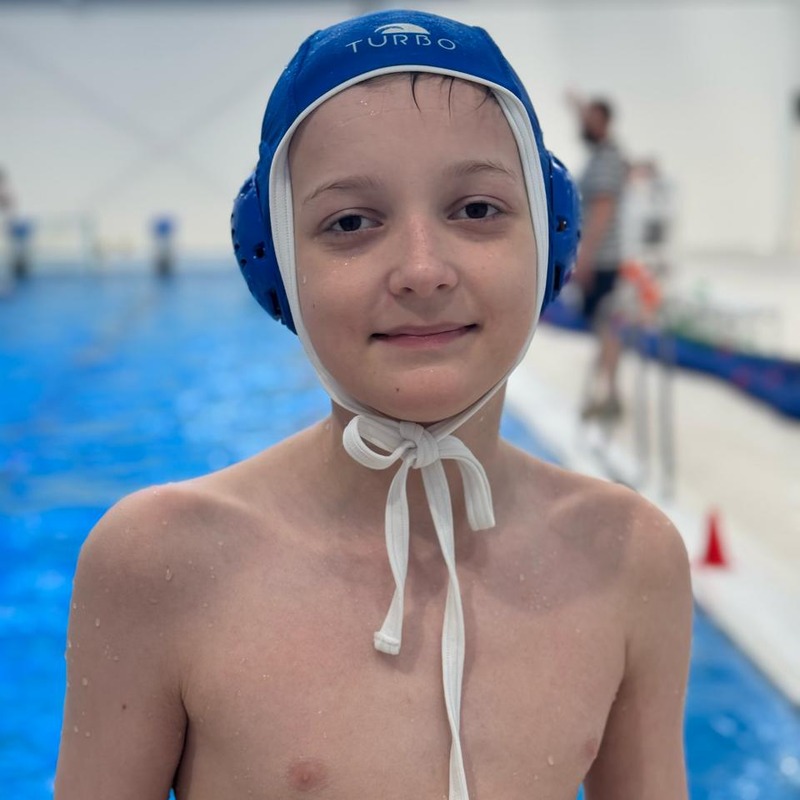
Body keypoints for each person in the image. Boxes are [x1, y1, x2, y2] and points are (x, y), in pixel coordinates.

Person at [55, 10, 692, 799]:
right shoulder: (162, 565)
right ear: (277, 267)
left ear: (550, 240)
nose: (422, 270)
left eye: (477, 210)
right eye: (351, 222)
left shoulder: (631, 558)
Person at [567, 94, 629, 421]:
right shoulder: (605, 154)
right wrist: (576, 106)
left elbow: (602, 211)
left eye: (589, 119)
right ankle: (608, 394)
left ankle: (610, 396)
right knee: (603, 329)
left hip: (601, 260)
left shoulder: (606, 159)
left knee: (606, 329)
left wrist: (585, 259)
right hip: (601, 257)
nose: (583, 125)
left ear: (602, 122)